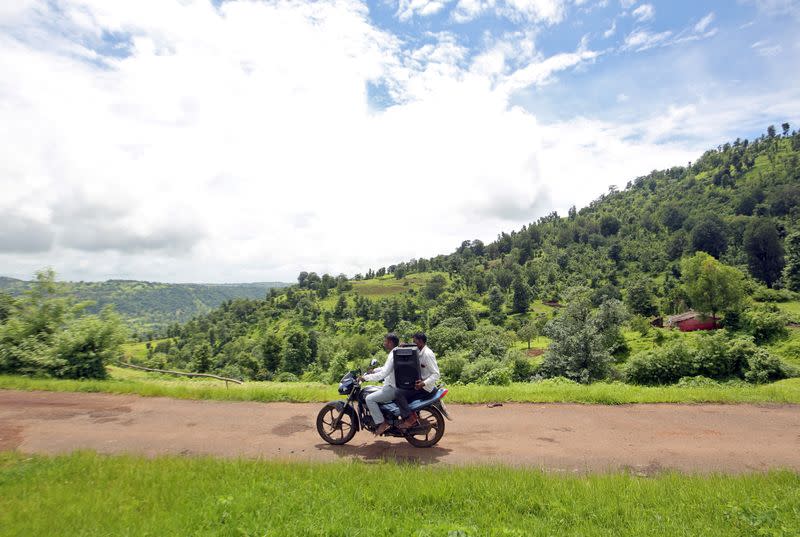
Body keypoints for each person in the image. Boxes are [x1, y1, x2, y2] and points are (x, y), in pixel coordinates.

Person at [394, 332, 440, 429]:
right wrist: (404, 346)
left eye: (414, 341)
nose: (413, 343)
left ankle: (409, 419)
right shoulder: (419, 351)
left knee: (398, 393)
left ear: (420, 341)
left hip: (425, 388)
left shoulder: (427, 354)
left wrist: (423, 383)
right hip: (417, 384)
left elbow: (436, 374)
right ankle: (414, 415)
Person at [360, 333, 400, 436]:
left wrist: (366, 378)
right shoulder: (394, 352)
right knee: (371, 392)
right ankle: (384, 417)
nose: (384, 343)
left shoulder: (393, 355)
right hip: (391, 386)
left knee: (369, 399)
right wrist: (374, 370)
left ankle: (382, 423)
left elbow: (384, 373)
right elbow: (386, 368)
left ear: (390, 342)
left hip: (391, 388)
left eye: (385, 341)